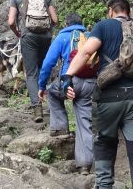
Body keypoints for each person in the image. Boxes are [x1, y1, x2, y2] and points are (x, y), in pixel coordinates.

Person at [63, 0, 133, 189]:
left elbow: (85, 52)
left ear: (110, 11)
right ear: (129, 10)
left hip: (108, 99)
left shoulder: (104, 26)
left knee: (105, 143)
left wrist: (67, 76)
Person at [37, 13, 96, 173]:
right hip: (90, 83)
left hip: (69, 82)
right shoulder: (90, 36)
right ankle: (85, 165)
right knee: (84, 121)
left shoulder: (63, 37)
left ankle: (60, 127)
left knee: (51, 91)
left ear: (66, 24)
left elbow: (48, 63)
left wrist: (41, 86)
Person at [7, 0, 58, 121]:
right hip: (46, 37)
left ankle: (37, 109)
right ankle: (50, 106)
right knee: (44, 69)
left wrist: (18, 33)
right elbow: (55, 20)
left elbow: (11, 21)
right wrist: (47, 30)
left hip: (28, 37)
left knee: (31, 73)